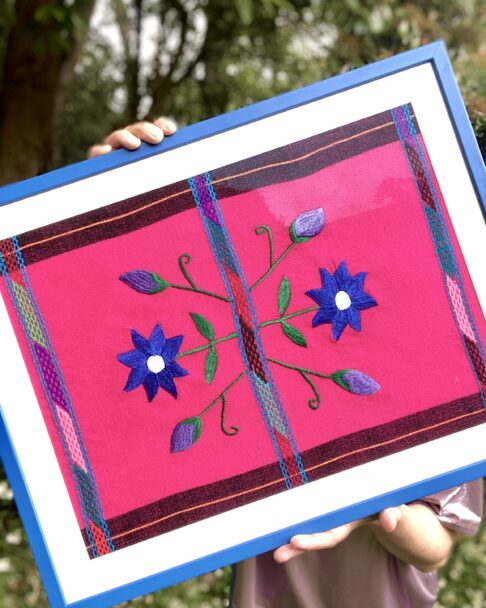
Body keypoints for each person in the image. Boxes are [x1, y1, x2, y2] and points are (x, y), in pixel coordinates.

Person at [89, 120, 483, 608]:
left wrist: (372, 504)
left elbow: (436, 547)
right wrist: (98, 200)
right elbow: (109, 361)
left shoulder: (447, 363)